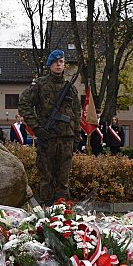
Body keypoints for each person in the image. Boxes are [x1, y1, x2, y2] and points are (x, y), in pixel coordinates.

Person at [18, 49, 81, 205]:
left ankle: (62, 212)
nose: (58, 65)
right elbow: (24, 104)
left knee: (63, 179)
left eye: (61, 62)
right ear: (49, 65)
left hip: (66, 138)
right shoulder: (40, 84)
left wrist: (77, 134)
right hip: (47, 137)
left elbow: (76, 112)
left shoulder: (71, 88)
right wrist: (37, 128)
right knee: (46, 178)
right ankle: (46, 211)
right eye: (55, 62)